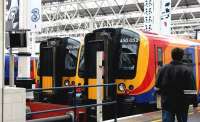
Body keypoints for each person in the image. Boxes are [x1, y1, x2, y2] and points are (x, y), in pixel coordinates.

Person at [155, 47, 198, 122]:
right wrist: (195, 104)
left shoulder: (162, 69)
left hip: (167, 104)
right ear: (182, 56)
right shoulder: (187, 70)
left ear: (172, 56)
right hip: (182, 104)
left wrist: (163, 94)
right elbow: (192, 90)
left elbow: (157, 86)